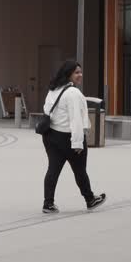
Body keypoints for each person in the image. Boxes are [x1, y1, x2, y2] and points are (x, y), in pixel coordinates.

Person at [41, 60, 106, 214]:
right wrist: (77, 143)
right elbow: (76, 119)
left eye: (80, 72)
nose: (80, 75)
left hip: (50, 135)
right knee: (80, 170)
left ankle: (48, 203)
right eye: (76, 72)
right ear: (68, 74)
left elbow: (46, 109)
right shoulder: (73, 93)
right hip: (68, 137)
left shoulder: (53, 89)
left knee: (53, 169)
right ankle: (90, 199)